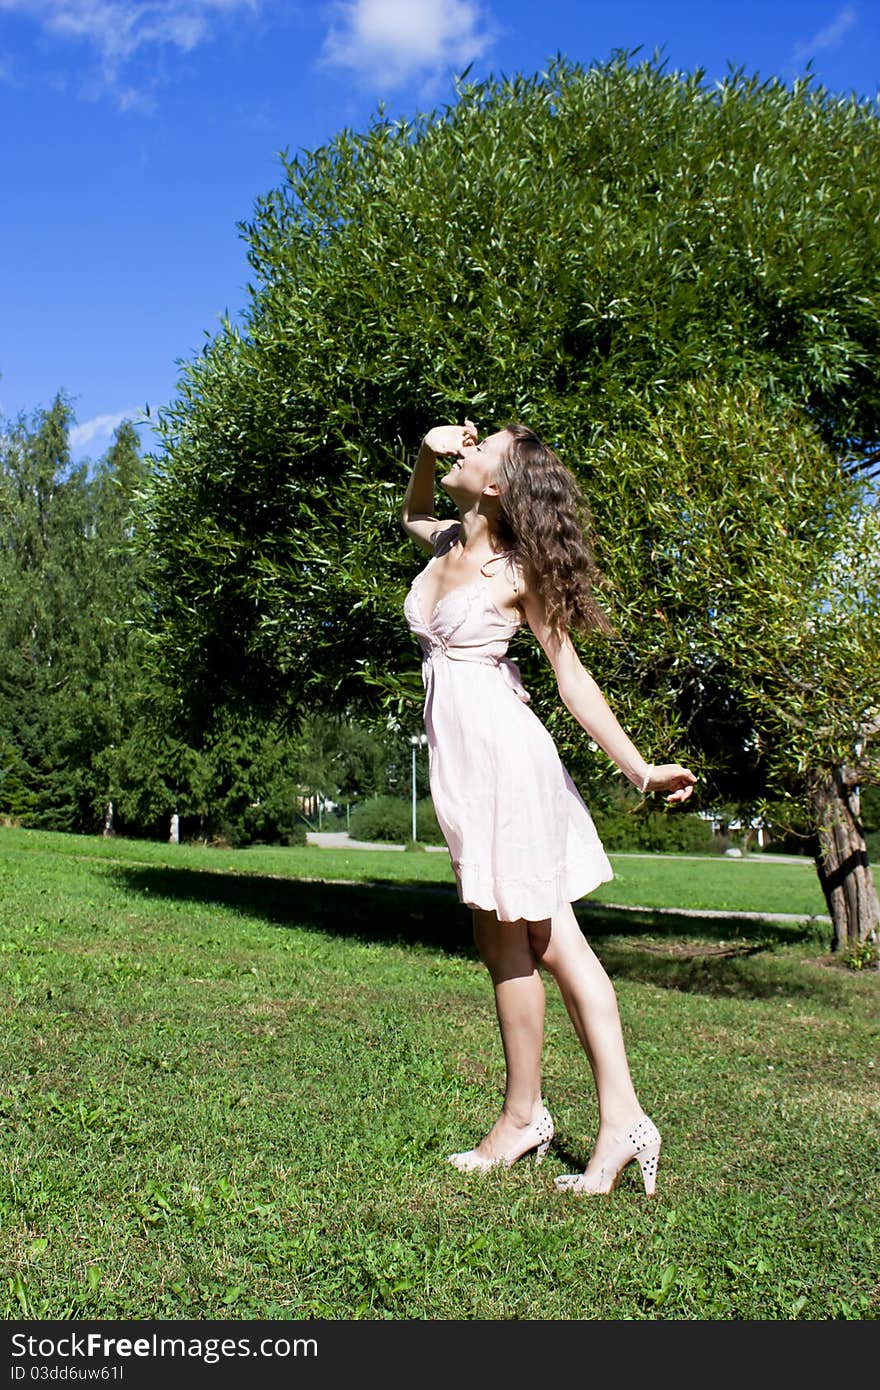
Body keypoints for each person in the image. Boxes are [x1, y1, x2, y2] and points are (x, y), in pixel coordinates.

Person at [400, 417, 696, 1196]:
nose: (465, 450)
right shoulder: (448, 542)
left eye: (477, 451)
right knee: (500, 941)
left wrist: (637, 768)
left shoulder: (516, 568)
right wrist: (425, 457)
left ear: (498, 486)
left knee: (553, 939)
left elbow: (570, 676)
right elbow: (408, 513)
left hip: (506, 762)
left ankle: (618, 1120)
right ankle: (526, 1117)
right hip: (463, 766)